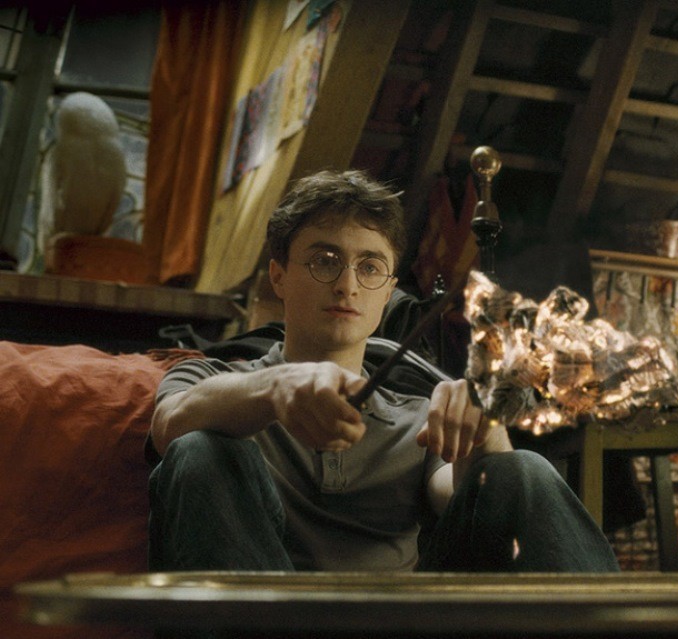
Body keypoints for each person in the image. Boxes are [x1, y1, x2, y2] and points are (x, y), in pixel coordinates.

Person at [146, 169, 619, 574]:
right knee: (202, 448)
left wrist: (486, 431)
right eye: (324, 261)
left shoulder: (418, 414)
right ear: (279, 276)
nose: (347, 285)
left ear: (388, 292)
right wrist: (276, 388)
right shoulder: (211, 381)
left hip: (403, 621)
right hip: (263, 618)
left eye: (369, 267)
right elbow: (171, 425)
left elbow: (462, 498)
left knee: (521, 468)